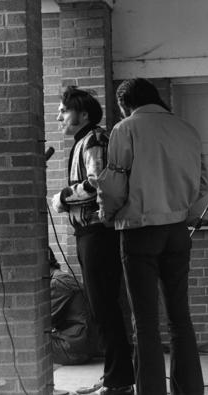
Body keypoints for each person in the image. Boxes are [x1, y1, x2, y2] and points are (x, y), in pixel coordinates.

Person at [97, 78, 208, 395]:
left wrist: (107, 215)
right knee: (180, 318)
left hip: (139, 232)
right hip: (177, 231)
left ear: (124, 104)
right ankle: (189, 390)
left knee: (145, 323)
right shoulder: (187, 130)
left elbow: (114, 187)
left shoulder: (126, 129)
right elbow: (202, 185)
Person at [52, 86, 135, 395]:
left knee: (105, 308)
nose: (58, 115)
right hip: (91, 234)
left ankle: (119, 381)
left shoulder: (94, 139)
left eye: (64, 110)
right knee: (104, 308)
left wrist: (62, 196)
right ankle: (116, 376)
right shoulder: (85, 140)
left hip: (98, 235)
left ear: (83, 114)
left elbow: (97, 182)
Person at [49, 246, 99, 365]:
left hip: (73, 347)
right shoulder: (62, 277)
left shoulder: (57, 282)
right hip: (83, 345)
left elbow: (46, 321)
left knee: (26, 339)